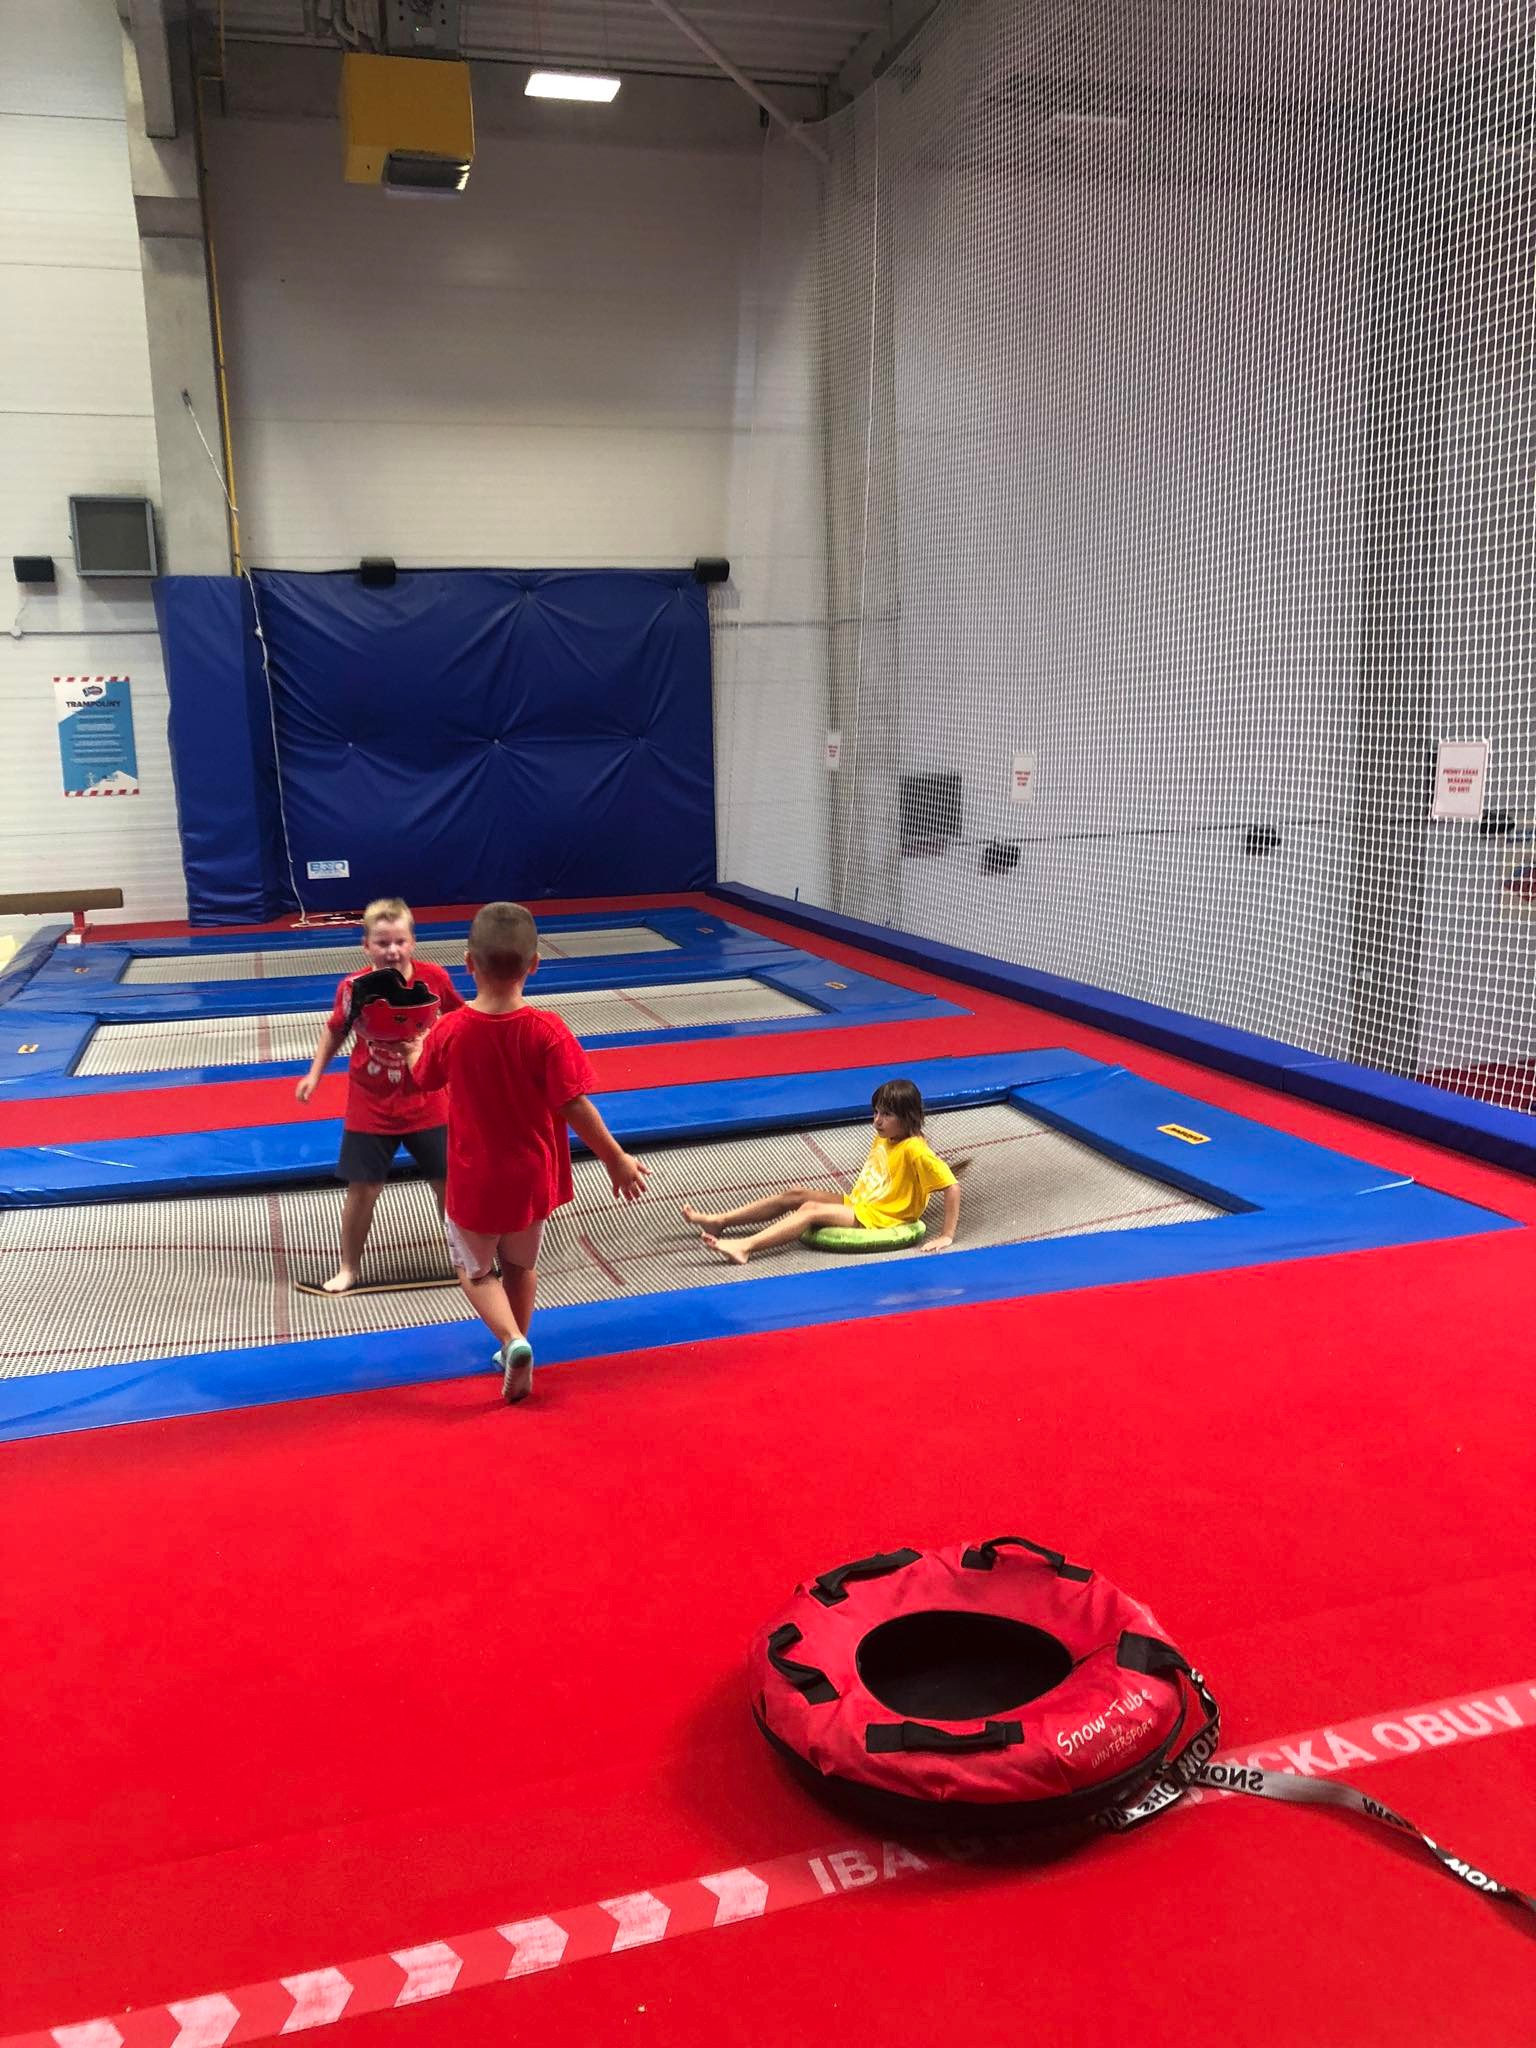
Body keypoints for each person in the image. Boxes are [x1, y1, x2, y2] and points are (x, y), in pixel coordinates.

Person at [405, 900, 647, 1404]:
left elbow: (424, 1079)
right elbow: (575, 1105)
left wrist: (413, 1053)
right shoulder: (547, 1030)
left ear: (468, 964)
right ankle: (517, 1342)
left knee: (474, 1271)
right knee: (521, 1265)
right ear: (534, 964)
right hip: (532, 1175)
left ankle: (512, 1340)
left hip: (475, 1177)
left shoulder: (451, 1030)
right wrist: (616, 1159)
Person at [296, 897, 464, 1294]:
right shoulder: (352, 988)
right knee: (363, 1188)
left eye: (400, 942)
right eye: (383, 943)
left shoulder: (434, 978)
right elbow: (336, 1030)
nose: (392, 951)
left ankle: (467, 1258)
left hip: (428, 1097)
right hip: (371, 1102)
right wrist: (314, 1074)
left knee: (447, 1181)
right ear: (366, 946)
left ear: (413, 942)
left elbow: (460, 1018)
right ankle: (348, 1268)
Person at [684, 1077, 963, 1265]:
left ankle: (745, 1246)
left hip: (881, 1218)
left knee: (810, 1209)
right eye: (876, 1112)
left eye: (886, 1115)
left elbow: (951, 1186)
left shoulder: (915, 1149)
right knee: (796, 1194)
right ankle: (719, 1220)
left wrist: (946, 1235)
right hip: (861, 1204)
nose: (877, 1121)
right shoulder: (886, 1137)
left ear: (908, 1117)